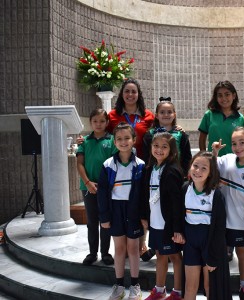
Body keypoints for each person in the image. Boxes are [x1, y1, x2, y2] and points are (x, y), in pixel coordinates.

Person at [211, 126, 244, 300]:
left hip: (241, 220)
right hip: (220, 220)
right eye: (234, 143)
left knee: (241, 252)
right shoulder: (226, 159)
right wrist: (214, 153)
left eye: (242, 142)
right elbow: (210, 171)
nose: (238, 147)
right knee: (220, 254)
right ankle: (221, 287)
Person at [106, 78, 155, 262]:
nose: (130, 95)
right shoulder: (112, 115)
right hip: (120, 168)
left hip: (142, 166)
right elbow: (103, 133)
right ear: (122, 94)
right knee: (121, 205)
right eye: (127, 91)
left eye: (134, 91)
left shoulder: (148, 116)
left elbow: (159, 132)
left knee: (140, 204)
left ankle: (141, 244)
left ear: (138, 94)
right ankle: (121, 246)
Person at [97, 122, 146, 300]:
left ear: (134, 140)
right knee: (119, 249)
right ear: (114, 142)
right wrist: (104, 216)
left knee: (133, 248)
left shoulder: (140, 165)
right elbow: (102, 192)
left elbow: (143, 194)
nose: (123, 142)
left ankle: (135, 285)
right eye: (119, 139)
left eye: (127, 138)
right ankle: (118, 285)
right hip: (115, 210)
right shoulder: (108, 165)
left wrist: (143, 216)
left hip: (132, 210)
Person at [176, 151, 231, 300]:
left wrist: (213, 256)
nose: (198, 171)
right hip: (191, 243)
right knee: (189, 286)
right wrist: (178, 232)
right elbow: (178, 216)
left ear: (211, 172)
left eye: (204, 168)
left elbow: (219, 228)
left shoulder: (215, 194)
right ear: (190, 167)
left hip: (209, 243)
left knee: (209, 287)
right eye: (195, 166)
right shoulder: (185, 189)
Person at [141, 132, 184, 300]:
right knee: (160, 254)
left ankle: (178, 291)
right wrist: (145, 216)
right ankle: (159, 290)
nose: (159, 150)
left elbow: (176, 203)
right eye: (156, 146)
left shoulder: (172, 171)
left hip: (169, 225)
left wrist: (177, 228)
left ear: (172, 151)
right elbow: (146, 196)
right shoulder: (150, 169)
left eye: (164, 147)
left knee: (174, 256)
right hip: (156, 223)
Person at [76, 108, 116, 266]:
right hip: (88, 187)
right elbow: (79, 164)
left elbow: (114, 164)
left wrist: (105, 185)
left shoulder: (112, 140)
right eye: (95, 121)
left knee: (105, 220)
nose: (98, 124)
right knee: (92, 221)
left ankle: (105, 252)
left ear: (107, 123)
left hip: (105, 188)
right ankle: (92, 252)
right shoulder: (85, 141)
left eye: (102, 121)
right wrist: (87, 182)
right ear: (90, 123)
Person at [142, 97, 192, 177]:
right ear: (157, 116)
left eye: (169, 112)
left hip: (175, 175)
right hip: (154, 175)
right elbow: (146, 157)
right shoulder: (150, 135)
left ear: (174, 115)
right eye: (162, 112)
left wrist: (184, 175)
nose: (166, 115)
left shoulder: (181, 134)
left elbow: (187, 158)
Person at [199, 81, 244, 157]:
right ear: (216, 98)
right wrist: (205, 158)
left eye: (227, 94)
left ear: (233, 96)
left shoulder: (240, 118)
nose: (224, 98)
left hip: (233, 162)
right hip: (214, 160)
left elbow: (242, 141)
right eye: (220, 95)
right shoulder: (209, 115)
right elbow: (202, 139)